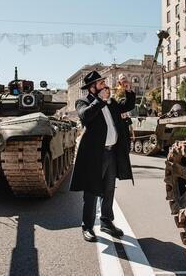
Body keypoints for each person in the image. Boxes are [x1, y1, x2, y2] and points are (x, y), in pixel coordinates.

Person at [70, 70, 136, 242]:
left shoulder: (111, 102)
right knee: (91, 191)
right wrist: (100, 101)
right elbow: (86, 116)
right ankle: (87, 226)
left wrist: (128, 90)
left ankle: (106, 222)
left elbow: (127, 106)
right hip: (94, 155)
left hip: (111, 153)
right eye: (101, 83)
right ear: (92, 88)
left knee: (108, 189)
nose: (105, 85)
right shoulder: (83, 102)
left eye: (104, 83)